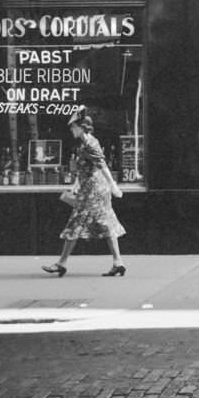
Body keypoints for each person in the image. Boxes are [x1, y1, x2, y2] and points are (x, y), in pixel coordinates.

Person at [43, 112, 126, 277]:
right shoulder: (84, 143)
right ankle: (118, 262)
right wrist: (76, 185)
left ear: (81, 127)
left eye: (73, 127)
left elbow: (102, 164)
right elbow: (86, 168)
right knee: (105, 222)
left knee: (76, 222)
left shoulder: (89, 143)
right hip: (92, 188)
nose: (71, 130)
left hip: (93, 190)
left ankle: (62, 263)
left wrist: (113, 185)